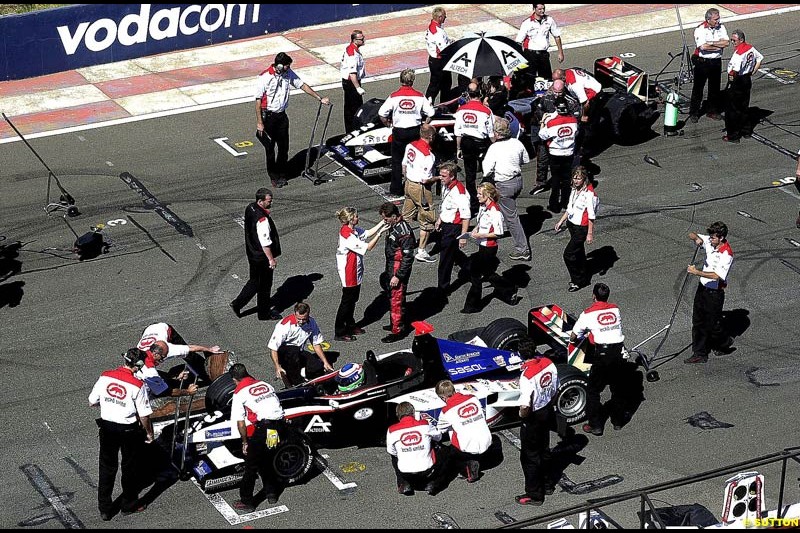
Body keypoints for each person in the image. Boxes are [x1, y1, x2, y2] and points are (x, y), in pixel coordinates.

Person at [89, 348, 153, 520]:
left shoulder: (105, 376)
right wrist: (149, 433)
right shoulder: (138, 385)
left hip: (107, 428)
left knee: (106, 468)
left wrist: (110, 405)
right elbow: (144, 415)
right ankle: (128, 504)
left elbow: (92, 401)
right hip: (128, 431)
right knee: (129, 468)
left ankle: (104, 509)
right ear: (138, 365)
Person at [255, 52, 330, 188]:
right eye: (286, 66)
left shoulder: (288, 73)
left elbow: (302, 85)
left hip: (282, 116)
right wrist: (260, 122)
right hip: (268, 117)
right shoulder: (264, 77)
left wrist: (319, 97)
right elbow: (258, 101)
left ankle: (282, 172)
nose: (288, 68)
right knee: (270, 149)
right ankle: (274, 176)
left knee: (284, 147)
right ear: (279, 65)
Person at [570, 283, 630, 435]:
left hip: (601, 356)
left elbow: (573, 336)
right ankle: (618, 421)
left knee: (592, 391)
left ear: (593, 296)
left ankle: (595, 425)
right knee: (618, 388)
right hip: (617, 353)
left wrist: (574, 341)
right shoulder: (615, 309)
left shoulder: (587, 313)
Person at [229, 363, 285, 512]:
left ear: (235, 380)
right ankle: (271, 492)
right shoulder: (264, 384)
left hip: (265, 428)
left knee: (251, 466)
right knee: (267, 460)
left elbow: (240, 423)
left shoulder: (239, 393)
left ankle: (247, 502)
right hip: (279, 426)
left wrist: (245, 442)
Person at [462, 182, 519, 313]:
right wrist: (475, 230)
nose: (477, 196)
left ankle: (472, 305)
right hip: (482, 245)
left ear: (487, 195)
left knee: (476, 274)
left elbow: (499, 233)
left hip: (489, 247)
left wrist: (480, 234)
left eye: (480, 194)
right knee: (488, 273)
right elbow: (480, 222)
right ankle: (508, 288)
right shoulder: (483, 207)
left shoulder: (495, 211)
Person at [379, 69, 435, 196]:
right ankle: (416, 186)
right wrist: (425, 123)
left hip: (399, 131)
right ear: (412, 81)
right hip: (414, 131)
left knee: (397, 161)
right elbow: (431, 113)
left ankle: (396, 189)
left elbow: (382, 113)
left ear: (401, 80)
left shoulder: (394, 96)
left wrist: (387, 124)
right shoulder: (419, 96)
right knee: (415, 158)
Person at [684, 221, 735, 364]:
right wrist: (696, 238)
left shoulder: (726, 254)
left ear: (721, 238)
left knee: (712, 324)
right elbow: (691, 234)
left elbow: (717, 275)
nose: (710, 239)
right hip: (702, 289)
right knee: (698, 321)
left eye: (713, 238)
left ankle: (724, 342)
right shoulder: (709, 240)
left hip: (715, 293)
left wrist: (696, 272)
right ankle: (699, 353)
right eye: (710, 237)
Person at [334, 207, 387, 341]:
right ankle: (339, 331)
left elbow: (367, 233)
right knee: (347, 302)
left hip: (355, 269)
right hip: (348, 271)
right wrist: (380, 234)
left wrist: (382, 222)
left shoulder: (353, 230)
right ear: (351, 219)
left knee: (353, 300)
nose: (358, 218)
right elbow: (368, 247)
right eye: (356, 216)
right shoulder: (347, 234)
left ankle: (350, 325)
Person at [483, 117, 531, 262]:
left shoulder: (494, 148)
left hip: (504, 184)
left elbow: (486, 170)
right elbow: (526, 160)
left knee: (512, 218)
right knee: (506, 209)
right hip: (517, 180)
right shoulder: (517, 143)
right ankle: (500, 227)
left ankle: (522, 249)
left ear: (497, 133)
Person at [230, 188, 282, 321]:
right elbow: (265, 242)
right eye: (268, 201)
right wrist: (271, 259)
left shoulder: (250, 208)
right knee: (265, 286)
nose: (271, 203)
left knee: (254, 281)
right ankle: (263, 313)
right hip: (262, 257)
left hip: (252, 253)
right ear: (260, 201)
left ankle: (238, 303)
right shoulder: (262, 220)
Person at [516, 351, 559, 506]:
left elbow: (525, 405)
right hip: (547, 410)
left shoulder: (526, 377)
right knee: (544, 450)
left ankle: (535, 495)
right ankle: (548, 485)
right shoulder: (548, 363)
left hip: (533, 417)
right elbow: (556, 388)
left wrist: (522, 416)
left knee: (529, 457)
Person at [386, 401, 450, 496]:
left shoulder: (391, 430)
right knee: (443, 449)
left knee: (394, 457)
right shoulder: (425, 424)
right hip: (428, 470)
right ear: (413, 412)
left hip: (405, 471)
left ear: (397, 415)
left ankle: (403, 483)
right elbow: (438, 437)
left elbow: (391, 451)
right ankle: (434, 482)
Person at [529, 79, 580, 195]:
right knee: (542, 159)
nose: (556, 95)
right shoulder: (546, 97)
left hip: (563, 138)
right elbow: (538, 111)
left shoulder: (570, 101)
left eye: (559, 92)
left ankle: (571, 181)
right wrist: (545, 119)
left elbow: (576, 119)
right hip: (548, 134)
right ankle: (540, 183)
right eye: (555, 91)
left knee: (569, 162)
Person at [435, 380, 491, 483]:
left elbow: (440, 430)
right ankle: (478, 456)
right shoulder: (473, 398)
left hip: (468, 446)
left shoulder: (446, 411)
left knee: (448, 446)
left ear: (443, 397)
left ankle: (468, 469)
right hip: (486, 439)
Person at [268, 302, 334, 387]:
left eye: (304, 319)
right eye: (299, 318)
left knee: (316, 367)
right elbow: (273, 348)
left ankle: (311, 380)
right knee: (293, 351)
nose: (301, 321)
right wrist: (277, 367)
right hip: (283, 353)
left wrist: (325, 362)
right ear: (295, 314)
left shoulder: (311, 322)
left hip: (298, 351)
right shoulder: (284, 325)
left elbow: (316, 343)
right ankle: (297, 382)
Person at [554, 166, 598, 292]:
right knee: (578, 252)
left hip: (581, 228)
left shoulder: (589, 194)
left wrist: (590, 233)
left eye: (578, 178)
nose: (575, 181)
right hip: (572, 225)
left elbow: (591, 215)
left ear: (584, 178)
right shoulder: (574, 190)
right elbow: (570, 208)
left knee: (568, 255)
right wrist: (561, 221)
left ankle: (577, 280)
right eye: (574, 178)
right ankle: (583, 274)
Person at [378, 202, 417, 343]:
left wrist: (398, 275)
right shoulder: (394, 226)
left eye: (386, 219)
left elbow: (408, 257)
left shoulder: (404, 231)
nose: (384, 221)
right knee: (392, 296)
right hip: (391, 265)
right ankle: (395, 323)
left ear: (394, 216)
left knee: (396, 298)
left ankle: (398, 330)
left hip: (398, 268)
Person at [401, 123, 439, 263]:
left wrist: (407, 179)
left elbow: (404, 165)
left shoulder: (410, 145)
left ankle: (400, 242)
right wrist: (438, 177)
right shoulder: (428, 156)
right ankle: (421, 251)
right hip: (421, 188)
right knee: (427, 218)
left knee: (406, 214)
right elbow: (426, 179)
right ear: (430, 136)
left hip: (409, 184)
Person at [455, 85, 495, 214]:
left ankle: (473, 204)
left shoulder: (461, 110)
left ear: (468, 94)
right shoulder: (486, 110)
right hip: (482, 143)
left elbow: (458, 132)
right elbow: (491, 133)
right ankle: (487, 199)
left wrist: (458, 148)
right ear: (481, 95)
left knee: (469, 175)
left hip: (467, 143)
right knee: (488, 172)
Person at [434, 162, 471, 293]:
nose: (441, 178)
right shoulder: (446, 186)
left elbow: (466, 216)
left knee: (445, 260)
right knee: (453, 253)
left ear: (453, 176)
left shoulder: (460, 193)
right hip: (446, 224)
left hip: (453, 228)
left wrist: (463, 237)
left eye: (444, 175)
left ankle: (442, 289)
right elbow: (445, 205)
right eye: (440, 175)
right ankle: (471, 268)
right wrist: (440, 219)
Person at [539, 98, 579, 214]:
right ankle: (566, 202)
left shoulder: (551, 122)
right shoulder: (573, 120)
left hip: (556, 153)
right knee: (567, 179)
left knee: (556, 179)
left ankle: (554, 205)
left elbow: (542, 135)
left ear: (556, 108)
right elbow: (576, 133)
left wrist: (543, 121)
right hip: (569, 152)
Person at [689, 8, 729, 123]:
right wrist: (717, 46)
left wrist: (711, 43)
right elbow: (703, 47)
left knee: (715, 88)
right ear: (708, 19)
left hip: (716, 61)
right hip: (703, 62)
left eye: (718, 18)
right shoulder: (700, 29)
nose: (718, 21)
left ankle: (712, 111)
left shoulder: (721, 27)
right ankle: (694, 112)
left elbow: (726, 43)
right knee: (698, 88)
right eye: (716, 19)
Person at [723, 30, 763, 143]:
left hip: (738, 81)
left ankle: (733, 135)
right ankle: (746, 131)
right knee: (744, 107)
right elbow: (760, 58)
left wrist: (730, 83)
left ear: (741, 40)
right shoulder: (751, 48)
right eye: (731, 40)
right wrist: (753, 71)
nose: (732, 42)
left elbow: (733, 72)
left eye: (734, 40)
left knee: (731, 110)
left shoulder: (738, 54)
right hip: (746, 79)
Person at [515, 4, 564, 82]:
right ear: (534, 9)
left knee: (547, 79)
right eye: (540, 9)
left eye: (543, 9)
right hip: (530, 54)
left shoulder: (549, 20)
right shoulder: (527, 23)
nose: (542, 11)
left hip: (543, 54)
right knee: (529, 79)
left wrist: (560, 52)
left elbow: (557, 36)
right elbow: (519, 42)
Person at [425, 6, 452, 105]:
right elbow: (444, 49)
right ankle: (427, 106)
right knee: (435, 86)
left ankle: (444, 105)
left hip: (438, 60)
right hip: (439, 61)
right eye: (445, 16)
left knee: (446, 84)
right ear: (440, 17)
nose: (446, 18)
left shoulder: (435, 26)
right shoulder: (436, 32)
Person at [341, 30, 367, 133]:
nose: (363, 40)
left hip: (350, 83)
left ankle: (351, 131)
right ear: (355, 40)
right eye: (361, 39)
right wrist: (357, 87)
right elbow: (352, 73)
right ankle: (354, 132)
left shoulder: (352, 49)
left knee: (350, 110)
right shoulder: (353, 54)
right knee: (355, 110)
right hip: (351, 84)